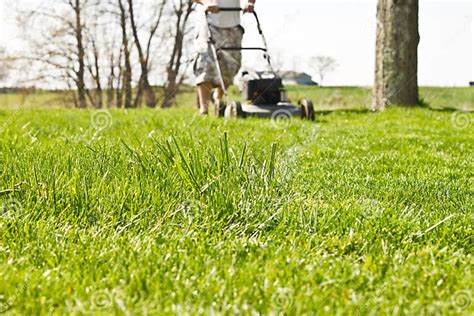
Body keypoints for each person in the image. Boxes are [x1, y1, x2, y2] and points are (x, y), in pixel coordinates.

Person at [193, 0, 256, 115]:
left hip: (233, 24)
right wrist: (206, 2)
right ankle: (204, 109)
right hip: (208, 22)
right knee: (205, 65)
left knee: (229, 67)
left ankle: (219, 100)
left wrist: (249, 3)